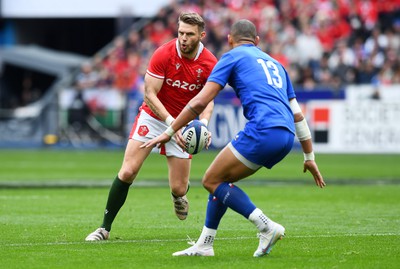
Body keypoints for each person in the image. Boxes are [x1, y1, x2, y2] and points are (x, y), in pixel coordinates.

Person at [142, 19, 326, 257]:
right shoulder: (277, 65)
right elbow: (298, 116)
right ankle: (205, 244)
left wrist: (168, 131)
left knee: (210, 180)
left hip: (262, 130)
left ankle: (266, 226)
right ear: (257, 41)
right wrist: (309, 156)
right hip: (286, 136)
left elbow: (199, 101)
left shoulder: (231, 57)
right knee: (220, 180)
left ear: (229, 39)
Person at [85, 12, 217, 241]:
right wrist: (170, 126)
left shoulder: (209, 63)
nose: (183, 38)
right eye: (180, 33)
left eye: (189, 34)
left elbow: (207, 99)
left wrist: (202, 125)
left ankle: (179, 196)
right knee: (128, 171)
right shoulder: (163, 54)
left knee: (178, 187)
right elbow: (149, 94)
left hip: (184, 123)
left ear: (201, 35)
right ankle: (104, 229)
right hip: (155, 117)